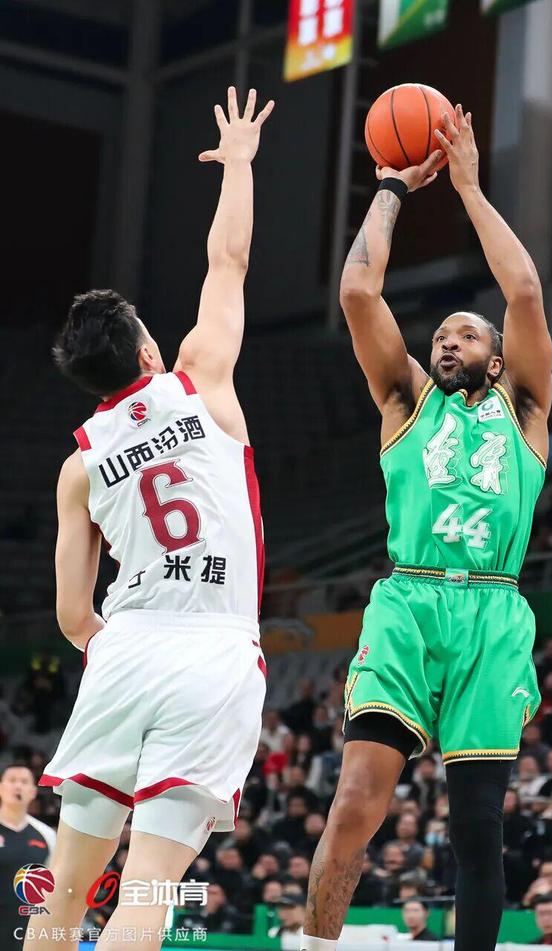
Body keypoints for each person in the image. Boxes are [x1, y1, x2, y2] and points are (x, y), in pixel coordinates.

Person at [303, 105, 552, 951]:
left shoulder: (525, 409)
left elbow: (524, 292)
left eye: (466, 334)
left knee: (477, 826)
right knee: (355, 802)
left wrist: (471, 190)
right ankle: (317, 945)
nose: (448, 341)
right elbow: (357, 291)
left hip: (492, 611)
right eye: (440, 334)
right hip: (408, 603)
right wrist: (390, 189)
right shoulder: (406, 399)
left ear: (497, 357)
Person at [31, 87, 274, 951]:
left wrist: (128, 645)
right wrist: (238, 164)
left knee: (63, 896)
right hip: (214, 653)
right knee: (148, 895)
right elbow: (229, 260)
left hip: (126, 648)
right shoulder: (201, 377)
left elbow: (73, 617)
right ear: (146, 351)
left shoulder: (79, 465)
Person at [0, 765, 57, 948]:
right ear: (1, 787)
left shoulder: (47, 835)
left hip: (26, 930)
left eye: (24, 782)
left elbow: (52, 887)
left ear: (33, 792)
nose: (18, 786)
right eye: (12, 780)